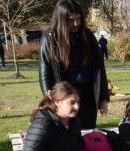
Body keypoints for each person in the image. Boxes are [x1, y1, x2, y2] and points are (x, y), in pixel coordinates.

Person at [39, 0, 109, 130]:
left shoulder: (87, 35)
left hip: (88, 94)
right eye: (71, 20)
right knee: (66, 134)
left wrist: (103, 98)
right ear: (61, 19)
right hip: (64, 95)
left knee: (87, 132)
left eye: (78, 19)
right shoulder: (49, 38)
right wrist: (51, 100)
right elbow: (44, 73)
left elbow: (99, 68)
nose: (76, 23)